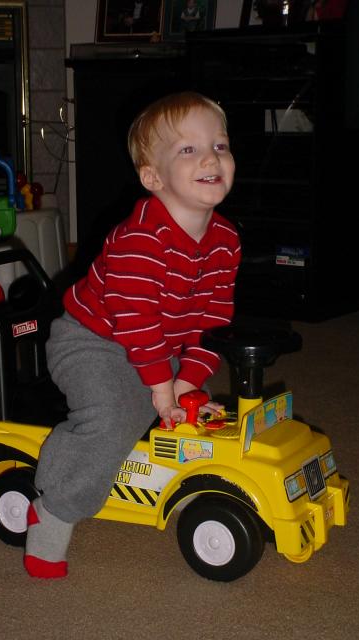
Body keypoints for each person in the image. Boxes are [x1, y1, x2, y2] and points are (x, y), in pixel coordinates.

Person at [24, 91, 241, 579]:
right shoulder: (141, 240)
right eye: (189, 149)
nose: (211, 157)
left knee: (186, 411)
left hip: (153, 345)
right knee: (116, 414)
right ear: (152, 177)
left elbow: (213, 320)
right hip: (91, 338)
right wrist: (162, 389)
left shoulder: (226, 240)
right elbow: (137, 320)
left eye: (221, 145)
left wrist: (184, 386)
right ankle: (53, 509)